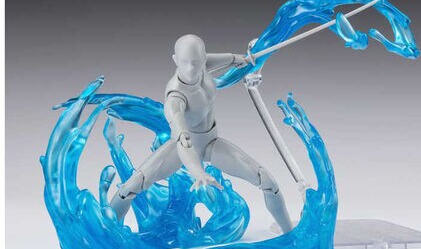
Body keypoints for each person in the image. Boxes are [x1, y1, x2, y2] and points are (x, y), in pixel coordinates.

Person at [110, 34, 293, 233]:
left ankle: (289, 233)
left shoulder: (201, 67)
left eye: (196, 62)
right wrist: (198, 172)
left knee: (268, 182)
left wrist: (237, 59)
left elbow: (214, 60)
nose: (191, 69)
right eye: (185, 63)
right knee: (129, 188)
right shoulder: (175, 96)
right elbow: (183, 141)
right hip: (182, 148)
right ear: (175, 60)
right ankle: (107, 233)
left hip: (211, 143)